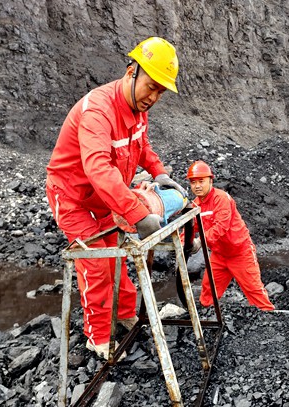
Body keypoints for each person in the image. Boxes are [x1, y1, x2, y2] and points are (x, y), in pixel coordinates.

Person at [45, 37, 187, 358]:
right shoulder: (98, 111)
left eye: (160, 92)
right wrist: (138, 213)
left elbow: (141, 146)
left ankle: (123, 315)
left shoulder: (137, 109)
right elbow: (98, 168)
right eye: (151, 86)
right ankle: (97, 337)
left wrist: (159, 172)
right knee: (95, 260)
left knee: (117, 255)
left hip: (104, 197)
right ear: (131, 71)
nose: (153, 96)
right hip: (72, 197)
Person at [187, 160, 274, 311]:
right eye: (193, 182)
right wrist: (184, 243)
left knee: (254, 291)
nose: (197, 186)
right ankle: (208, 318)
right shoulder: (195, 206)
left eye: (201, 181)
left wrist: (200, 241)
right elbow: (189, 228)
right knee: (208, 291)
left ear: (210, 180)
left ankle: (271, 318)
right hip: (219, 255)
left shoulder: (221, 199)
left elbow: (221, 226)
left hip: (240, 252)